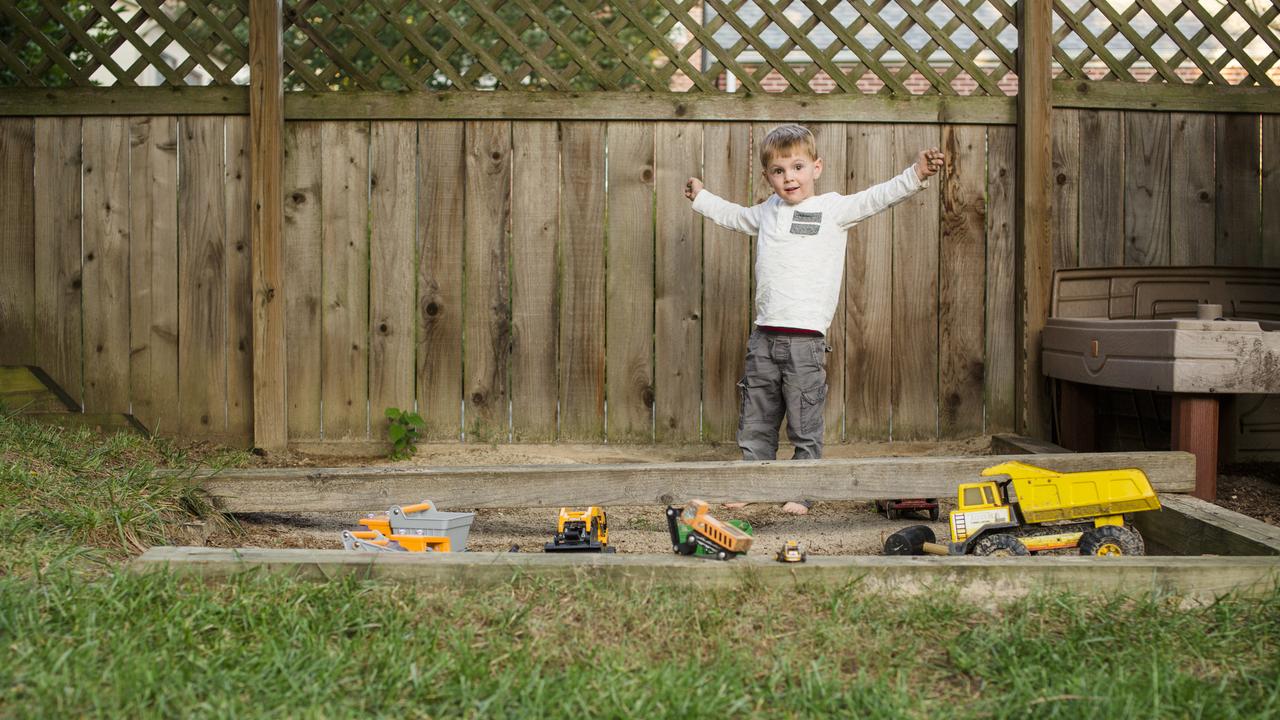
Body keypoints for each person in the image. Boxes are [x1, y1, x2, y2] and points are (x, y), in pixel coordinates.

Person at [685, 123, 944, 514]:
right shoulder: (767, 213)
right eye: (779, 171)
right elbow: (733, 216)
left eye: (798, 167)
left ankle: (801, 488)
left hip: (806, 341)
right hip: (764, 337)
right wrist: (701, 197)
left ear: (816, 168)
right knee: (757, 411)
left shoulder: (832, 210)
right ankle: (752, 481)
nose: (789, 177)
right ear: (768, 177)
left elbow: (877, 198)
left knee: (805, 417)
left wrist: (916, 174)